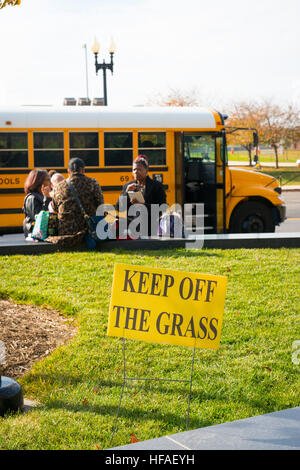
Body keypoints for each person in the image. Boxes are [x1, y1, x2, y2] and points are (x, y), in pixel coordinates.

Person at [47, 157, 104, 247]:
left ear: (68, 171)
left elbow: (54, 208)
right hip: (87, 230)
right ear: (83, 170)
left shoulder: (58, 187)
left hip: (65, 231)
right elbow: (101, 205)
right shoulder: (93, 183)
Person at [116, 155, 166, 236]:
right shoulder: (128, 186)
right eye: (134, 169)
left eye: (139, 169)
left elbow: (162, 208)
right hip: (131, 226)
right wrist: (126, 192)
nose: (136, 172)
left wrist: (143, 205)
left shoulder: (156, 186)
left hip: (150, 227)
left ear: (146, 170)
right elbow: (119, 208)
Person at [23, 169, 51, 238]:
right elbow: (40, 219)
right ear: (39, 182)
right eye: (47, 180)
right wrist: (47, 199)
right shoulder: (32, 198)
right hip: (36, 237)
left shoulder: (42, 196)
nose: (50, 183)